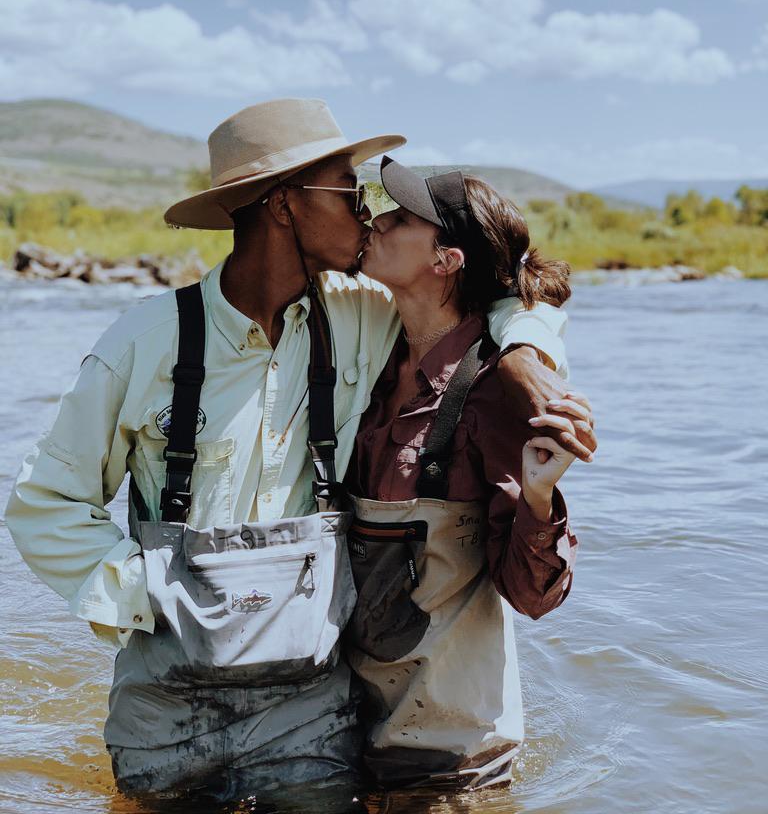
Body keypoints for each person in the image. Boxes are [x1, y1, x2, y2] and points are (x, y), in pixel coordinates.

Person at [5, 99, 595, 804]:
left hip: (311, 719)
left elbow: (488, 295)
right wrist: (142, 595)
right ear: (283, 205)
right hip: (163, 709)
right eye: (348, 192)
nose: (367, 212)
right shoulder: (142, 340)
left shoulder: (363, 315)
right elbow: (44, 502)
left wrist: (528, 353)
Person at [344, 156, 594, 790]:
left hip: (453, 761)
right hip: (344, 737)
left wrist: (539, 495)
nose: (376, 219)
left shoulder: (493, 391)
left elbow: (533, 597)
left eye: (399, 217)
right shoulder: (364, 356)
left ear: (446, 261)